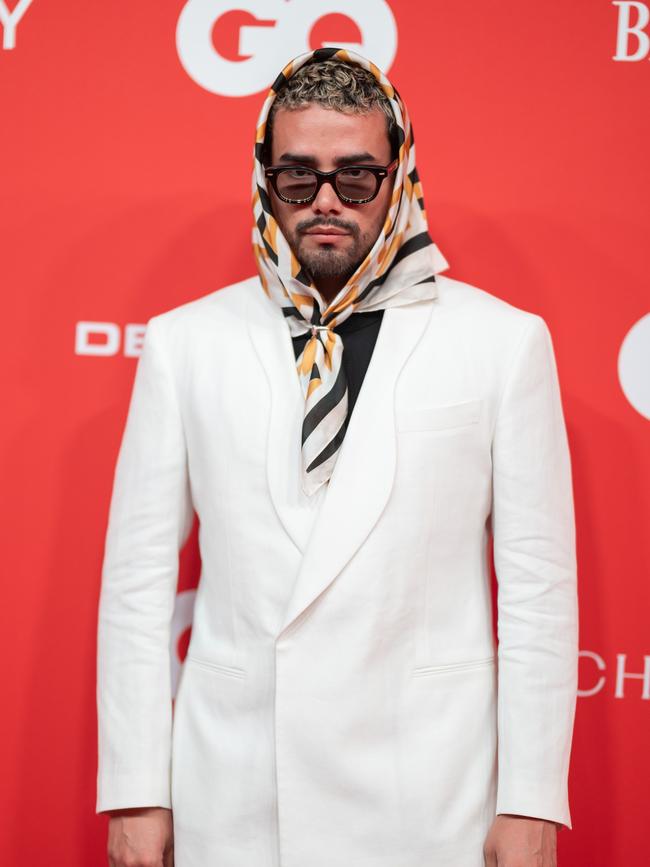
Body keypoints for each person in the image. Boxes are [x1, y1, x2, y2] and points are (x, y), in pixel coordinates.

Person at [96, 47, 578, 867]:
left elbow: (538, 586)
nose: (326, 202)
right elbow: (137, 583)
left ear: (400, 177)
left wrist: (531, 796)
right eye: (298, 177)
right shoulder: (186, 342)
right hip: (238, 783)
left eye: (356, 177)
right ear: (264, 180)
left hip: (431, 788)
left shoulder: (503, 342)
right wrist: (139, 788)